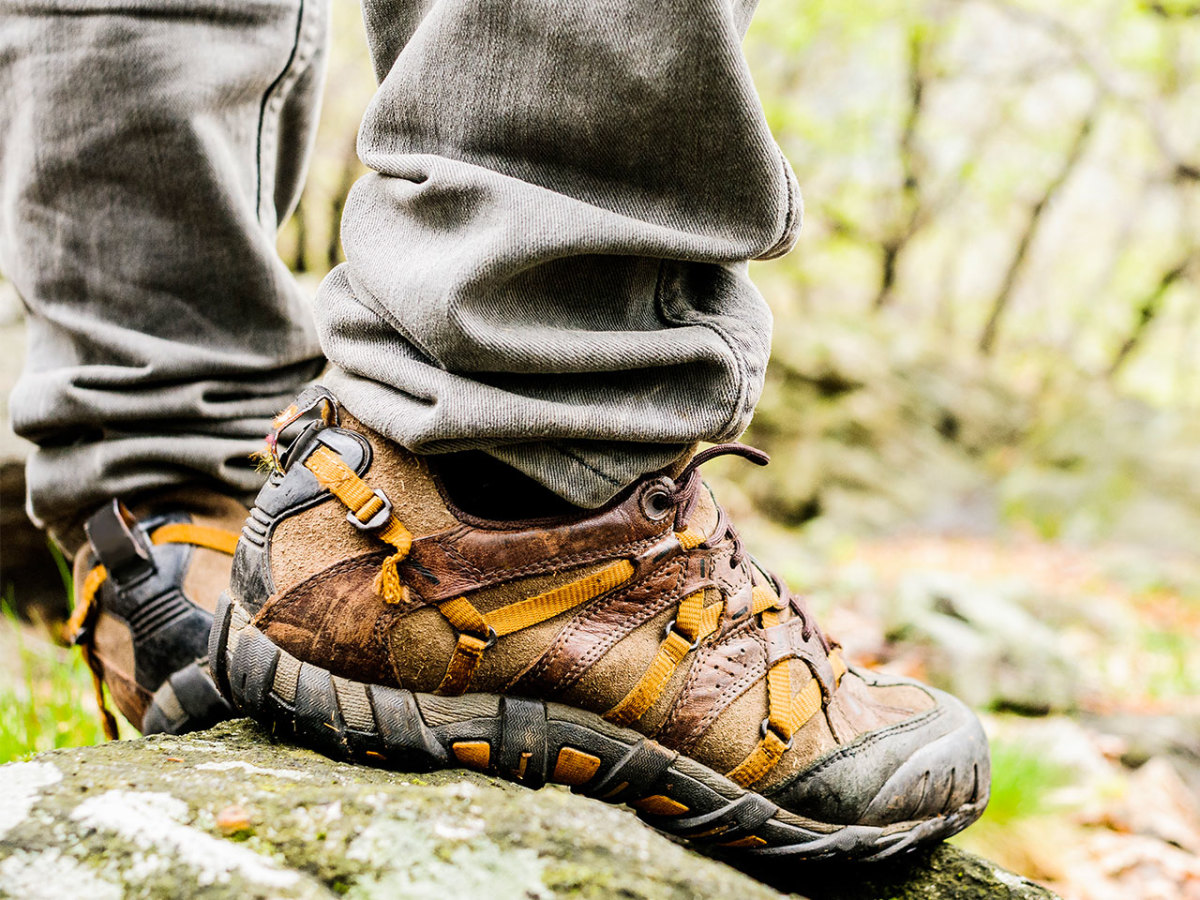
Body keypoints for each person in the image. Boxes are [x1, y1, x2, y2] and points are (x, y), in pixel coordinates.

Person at [0, 0, 990, 861]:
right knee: (533, 426)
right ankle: (534, 478)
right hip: (453, 540)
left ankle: (168, 531)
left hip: (176, 481)